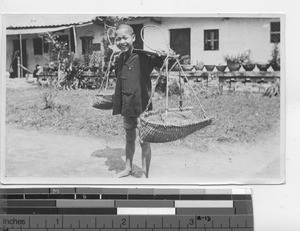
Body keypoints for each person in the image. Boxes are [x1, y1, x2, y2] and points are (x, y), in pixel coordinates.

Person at [112, 24, 165, 178]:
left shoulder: (143, 57)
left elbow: (162, 64)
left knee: (144, 141)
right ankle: (128, 168)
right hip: (127, 106)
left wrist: (163, 56)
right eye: (118, 39)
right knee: (129, 139)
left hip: (142, 105)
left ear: (133, 38)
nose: (122, 41)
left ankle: (145, 173)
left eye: (125, 37)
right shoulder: (120, 58)